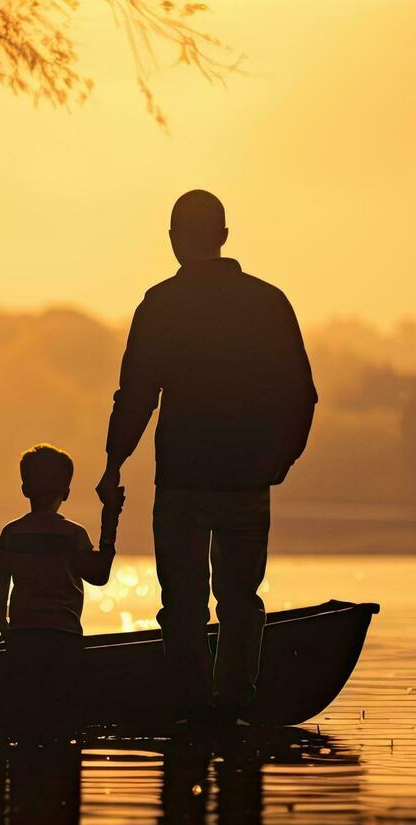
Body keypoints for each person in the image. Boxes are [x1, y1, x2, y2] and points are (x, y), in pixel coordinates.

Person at [96, 190, 317, 722]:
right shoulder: (268, 302)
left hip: (182, 481)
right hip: (246, 481)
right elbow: (300, 394)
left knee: (184, 607)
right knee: (241, 601)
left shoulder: (161, 305)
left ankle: (191, 710)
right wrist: (278, 462)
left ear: (174, 241)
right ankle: (236, 706)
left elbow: (137, 395)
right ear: (223, 236)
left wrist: (113, 462)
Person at [0, 444, 117, 674]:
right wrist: (110, 522)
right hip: (64, 635)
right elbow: (99, 576)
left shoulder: (12, 533)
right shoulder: (74, 535)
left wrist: (2, 625)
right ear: (66, 492)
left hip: (22, 636)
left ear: (25, 489)